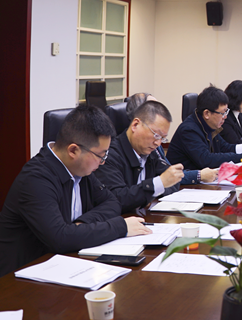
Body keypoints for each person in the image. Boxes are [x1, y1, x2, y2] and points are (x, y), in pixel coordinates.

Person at [0, 105, 152, 277]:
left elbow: (112, 202)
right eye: (100, 156)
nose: (102, 162)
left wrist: (81, 224)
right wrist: (120, 227)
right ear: (73, 150)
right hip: (21, 277)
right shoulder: (36, 179)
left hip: (63, 266)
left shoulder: (81, 170)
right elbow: (60, 238)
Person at [93, 101, 184, 213]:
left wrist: (149, 194)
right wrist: (156, 185)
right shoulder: (108, 155)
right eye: (156, 135)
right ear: (135, 125)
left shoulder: (149, 153)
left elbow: (172, 182)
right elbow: (116, 199)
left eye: (162, 138)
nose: (158, 143)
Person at [126, 92, 215, 185]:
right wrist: (198, 175)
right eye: (153, 109)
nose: (158, 143)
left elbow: (169, 173)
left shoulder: (155, 141)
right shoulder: (124, 151)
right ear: (136, 123)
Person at [167, 85, 242, 170]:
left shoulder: (209, 125)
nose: (225, 117)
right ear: (207, 114)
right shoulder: (189, 130)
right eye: (222, 113)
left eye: (226, 112)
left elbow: (225, 147)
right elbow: (205, 159)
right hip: (184, 181)